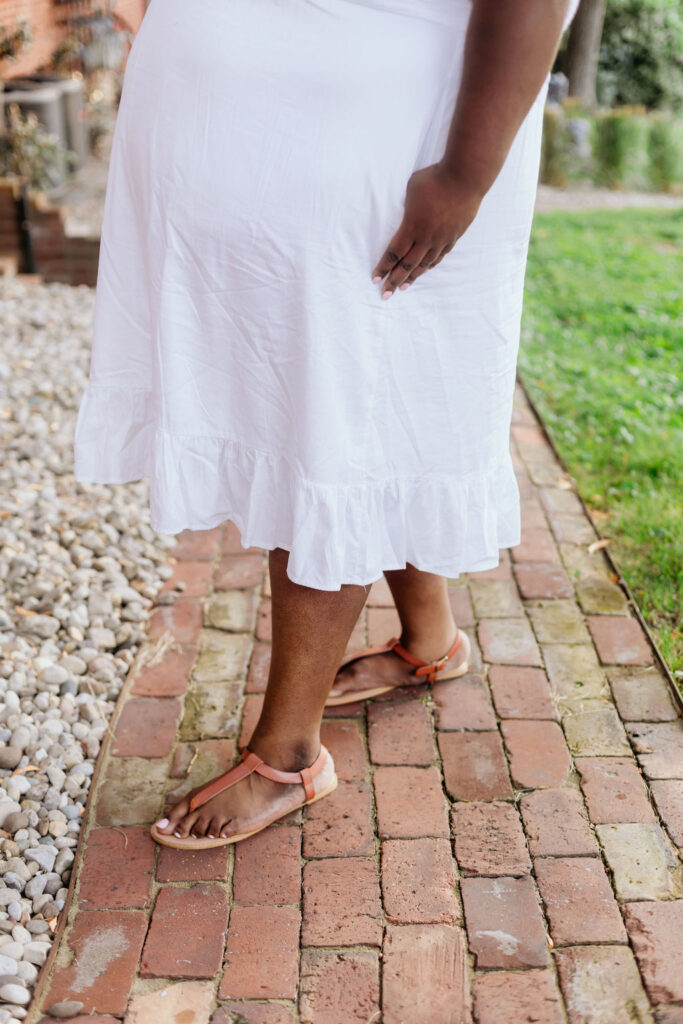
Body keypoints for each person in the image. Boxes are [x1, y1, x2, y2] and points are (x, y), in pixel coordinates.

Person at [73, 0, 579, 848]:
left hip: (383, 144)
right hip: (287, 137)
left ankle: (289, 754)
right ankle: (430, 638)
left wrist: (464, 175)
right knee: (368, 403)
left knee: (335, 417)